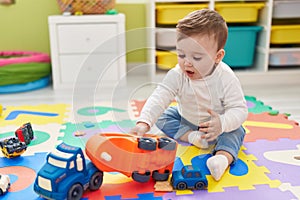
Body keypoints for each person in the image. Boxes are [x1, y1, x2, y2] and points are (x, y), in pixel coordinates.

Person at [130, 9, 248, 181]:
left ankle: (222, 158)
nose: (187, 62)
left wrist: (222, 123)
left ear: (218, 56)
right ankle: (191, 137)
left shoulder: (225, 77)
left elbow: (239, 109)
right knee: (162, 116)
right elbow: (160, 96)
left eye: (197, 57)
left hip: (216, 126)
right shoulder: (177, 74)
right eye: (181, 54)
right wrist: (143, 122)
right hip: (185, 119)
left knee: (236, 131)